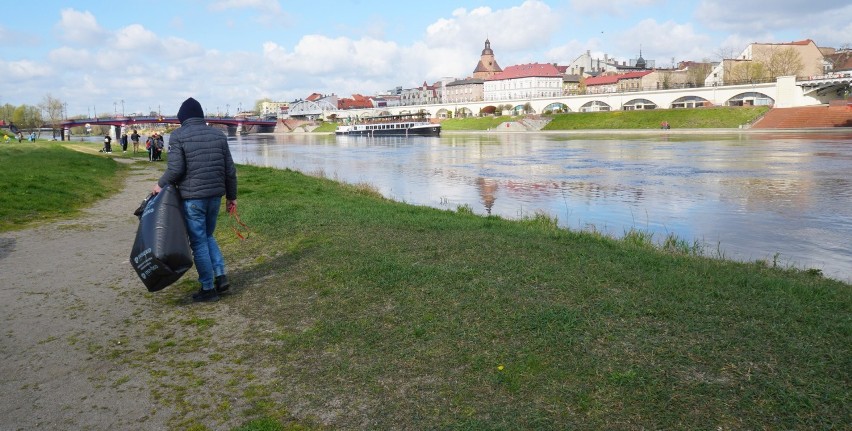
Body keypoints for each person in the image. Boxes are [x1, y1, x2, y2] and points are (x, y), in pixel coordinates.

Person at [152, 97, 237, 302]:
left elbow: (176, 169)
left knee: (198, 242)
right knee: (208, 236)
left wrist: (159, 185)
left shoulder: (178, 136)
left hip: (193, 198)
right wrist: (232, 197)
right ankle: (221, 276)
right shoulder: (219, 135)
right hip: (215, 196)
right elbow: (230, 171)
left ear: (183, 118)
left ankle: (208, 288)